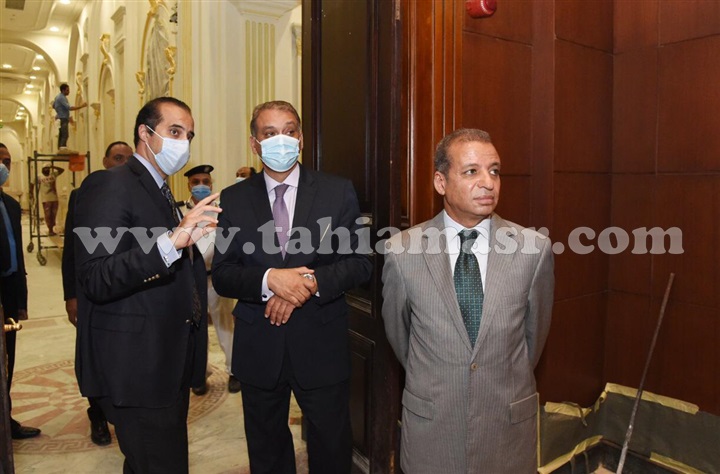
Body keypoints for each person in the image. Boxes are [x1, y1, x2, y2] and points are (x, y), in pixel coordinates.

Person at [381, 128, 554, 473]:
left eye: (494, 171)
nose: (488, 183)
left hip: (506, 429)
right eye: (472, 171)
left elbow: (532, 341)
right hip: (433, 429)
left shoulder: (533, 250)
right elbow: (401, 338)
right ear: (441, 182)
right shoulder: (402, 252)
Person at [212, 100, 372, 473]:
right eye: (269, 133)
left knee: (331, 445)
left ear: (300, 138)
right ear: (254, 143)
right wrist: (270, 279)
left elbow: (360, 262)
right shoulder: (234, 199)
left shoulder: (337, 191)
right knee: (266, 449)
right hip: (259, 343)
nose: (281, 140)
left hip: (321, 340)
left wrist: (307, 283)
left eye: (289, 131)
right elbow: (223, 273)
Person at [73, 97, 220, 473]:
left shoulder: (161, 191)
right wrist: (171, 243)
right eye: (174, 131)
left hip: (167, 361)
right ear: (145, 132)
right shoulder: (111, 184)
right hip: (136, 365)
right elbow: (96, 276)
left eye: (188, 135)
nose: (183, 143)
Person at [62, 140, 133, 446]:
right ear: (105, 162)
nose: (123, 163)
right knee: (94, 355)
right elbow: (71, 249)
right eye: (118, 158)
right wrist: (71, 295)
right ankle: (97, 414)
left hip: (128, 293)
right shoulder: (83, 195)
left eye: (128, 158)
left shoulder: (139, 194)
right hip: (92, 290)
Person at [182, 164, 240, 395]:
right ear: (188, 185)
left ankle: (234, 371)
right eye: (196, 182)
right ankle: (200, 374)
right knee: (195, 327)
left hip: (216, 277)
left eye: (205, 182)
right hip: (190, 279)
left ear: (212, 184)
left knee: (225, 324)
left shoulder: (221, 211)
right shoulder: (179, 210)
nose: (201, 186)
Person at [0, 143, 42, 440]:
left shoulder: (11, 205)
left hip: (10, 294)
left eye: (6, 161)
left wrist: (21, 300)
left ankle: (5, 420)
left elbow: (17, 257)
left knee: (7, 358)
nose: (3, 166)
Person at [52, 83, 87, 150]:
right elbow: (69, 108)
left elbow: (53, 106)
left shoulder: (57, 97)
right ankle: (62, 149)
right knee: (65, 134)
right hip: (63, 118)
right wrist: (81, 106)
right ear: (63, 90)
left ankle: (60, 148)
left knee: (61, 134)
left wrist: (59, 111)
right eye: (67, 90)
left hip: (62, 117)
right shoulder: (62, 97)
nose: (69, 92)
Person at [35, 164, 64, 236]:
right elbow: (32, 183)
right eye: (45, 168)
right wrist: (31, 194)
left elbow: (62, 170)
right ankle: (50, 229)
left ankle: (52, 229)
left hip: (54, 198)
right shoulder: (39, 176)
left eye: (48, 168)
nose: (47, 170)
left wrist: (53, 166)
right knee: (48, 215)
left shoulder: (53, 175)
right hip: (45, 199)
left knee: (53, 214)